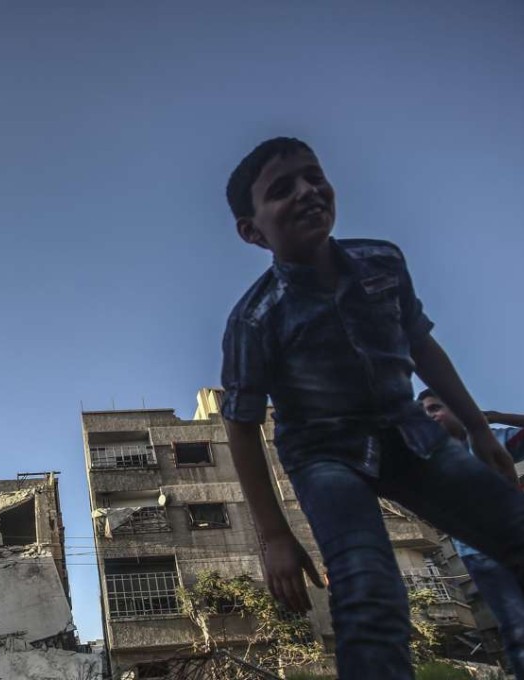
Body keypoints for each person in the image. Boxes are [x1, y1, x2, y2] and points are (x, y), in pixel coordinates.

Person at [219, 137, 524, 678]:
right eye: (283, 189)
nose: (308, 191)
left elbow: (421, 344)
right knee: (368, 591)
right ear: (252, 231)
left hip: (410, 433)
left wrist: (478, 429)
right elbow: (241, 427)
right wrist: (275, 536)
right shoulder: (255, 319)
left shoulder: (382, 261)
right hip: (325, 457)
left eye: (314, 177)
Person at [418, 389, 524, 677]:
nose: (430, 416)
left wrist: (492, 417)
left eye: (435, 408)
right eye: (424, 414)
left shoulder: (491, 440)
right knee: (516, 629)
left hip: (517, 536)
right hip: (478, 553)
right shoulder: (428, 462)